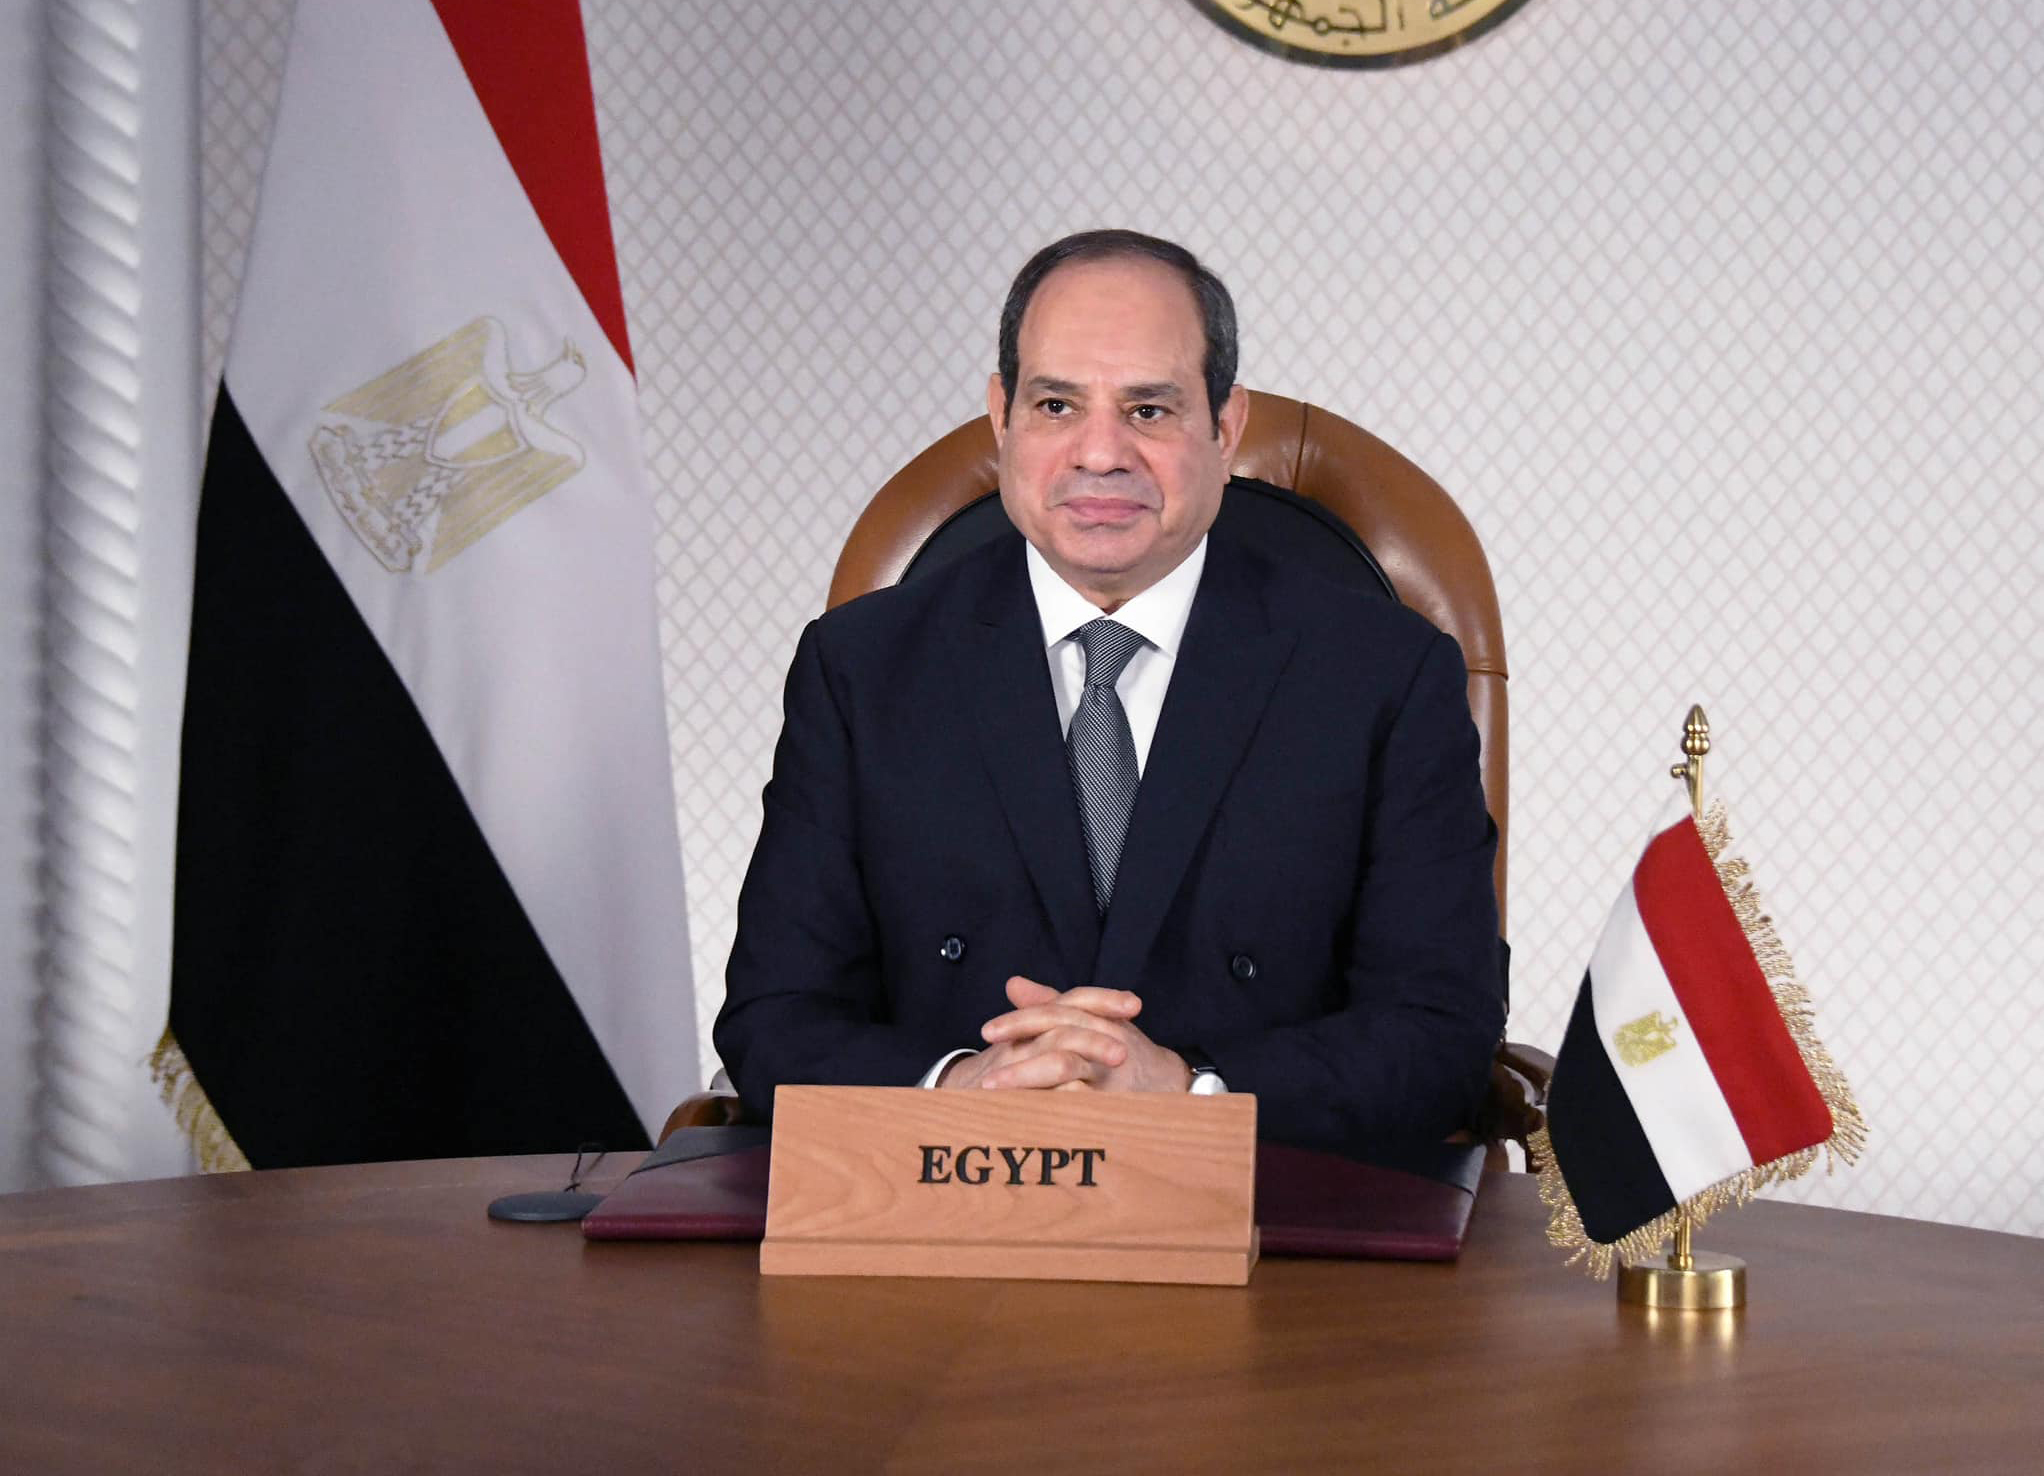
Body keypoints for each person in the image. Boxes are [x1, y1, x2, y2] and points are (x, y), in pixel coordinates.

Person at [713, 230, 1503, 1157]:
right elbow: (775, 1016)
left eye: (1149, 410)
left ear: (1226, 427)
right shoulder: (861, 667)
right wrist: (965, 1088)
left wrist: (1190, 1094)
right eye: (1056, 405)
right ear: (1002, 417)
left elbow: (1441, 1029)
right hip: (947, 1207)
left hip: (1273, 1213)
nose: (1099, 454)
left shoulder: (1383, 673)